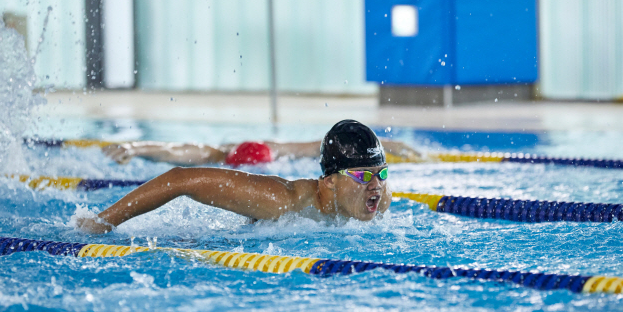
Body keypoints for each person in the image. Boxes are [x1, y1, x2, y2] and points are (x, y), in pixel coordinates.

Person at [77, 120, 393, 233]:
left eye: (381, 174)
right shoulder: (282, 200)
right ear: (329, 181)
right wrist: (101, 223)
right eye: (364, 176)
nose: (376, 186)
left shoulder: (378, 200)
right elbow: (179, 178)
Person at [101, 133, 420, 166]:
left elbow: (331, 143)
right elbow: (172, 150)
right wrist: (134, 146)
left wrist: (387, 145)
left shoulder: (278, 150)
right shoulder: (214, 154)